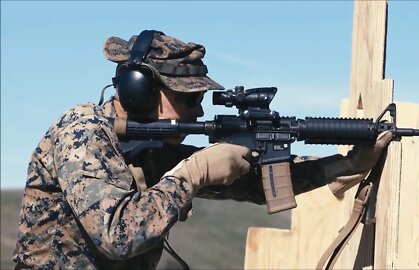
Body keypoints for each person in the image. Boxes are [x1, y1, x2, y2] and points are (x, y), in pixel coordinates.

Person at [13, 30, 392, 270]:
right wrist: (192, 174)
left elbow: (257, 184)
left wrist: (344, 164)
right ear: (139, 90)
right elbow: (118, 234)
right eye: (187, 99)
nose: (199, 111)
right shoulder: (83, 132)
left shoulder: (151, 148)